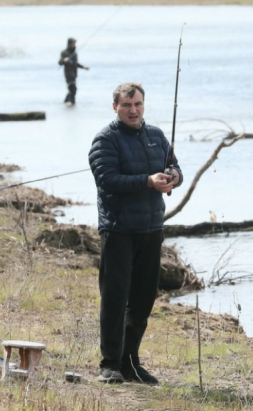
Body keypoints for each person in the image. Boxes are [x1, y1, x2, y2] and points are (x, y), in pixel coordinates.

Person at [88, 82, 182, 384]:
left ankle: (130, 362)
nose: (133, 110)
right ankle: (109, 364)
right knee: (115, 297)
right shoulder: (105, 139)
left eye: (138, 104)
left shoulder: (156, 136)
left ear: (143, 105)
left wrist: (174, 177)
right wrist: (147, 181)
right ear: (115, 106)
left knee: (143, 299)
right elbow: (107, 179)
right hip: (118, 229)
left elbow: (174, 166)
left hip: (151, 229)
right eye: (127, 105)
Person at [59, 37, 89, 106]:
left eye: (75, 43)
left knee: (72, 90)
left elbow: (76, 64)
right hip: (68, 75)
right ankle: (71, 103)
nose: (75, 45)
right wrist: (64, 60)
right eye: (73, 43)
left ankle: (67, 102)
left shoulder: (74, 53)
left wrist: (84, 67)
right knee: (73, 89)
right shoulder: (64, 53)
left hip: (74, 75)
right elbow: (60, 62)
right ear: (69, 44)